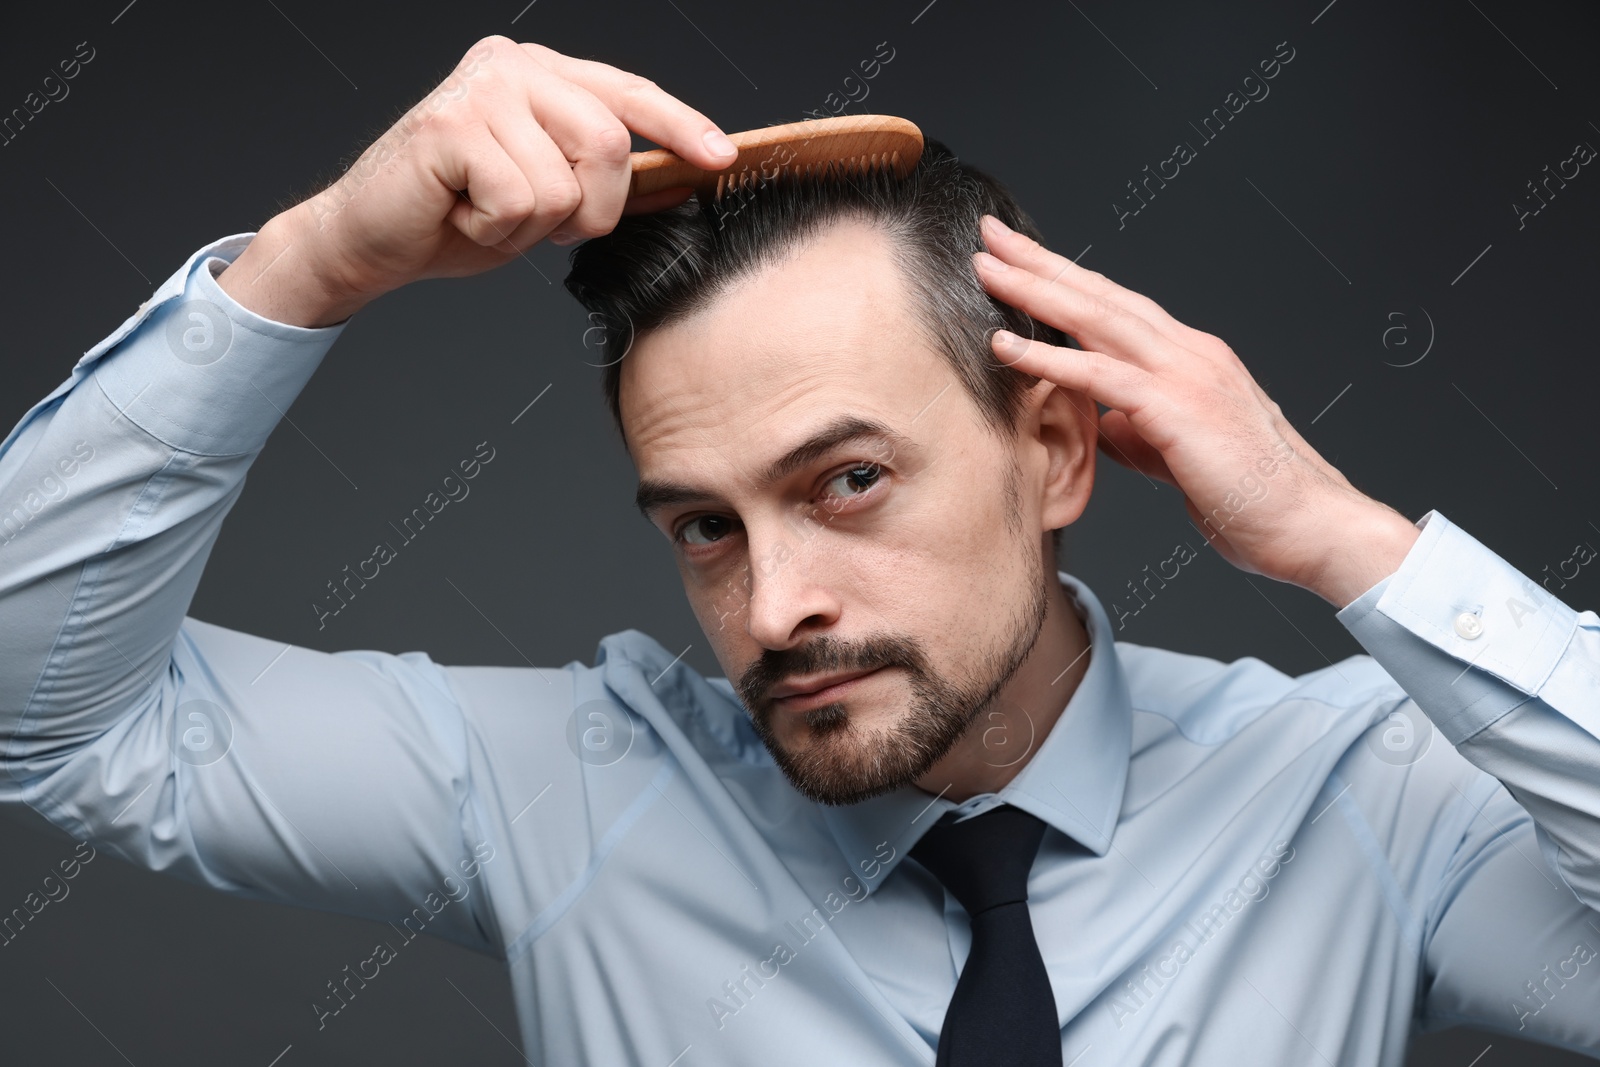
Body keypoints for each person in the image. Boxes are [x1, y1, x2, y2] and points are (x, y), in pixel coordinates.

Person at [2, 33, 1597, 1067]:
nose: (773, 610)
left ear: (1051, 450)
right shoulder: (565, 792)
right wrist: (317, 258)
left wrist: (1349, 543)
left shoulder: (1364, 802)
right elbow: (47, 716)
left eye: (844, 482)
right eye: (705, 524)